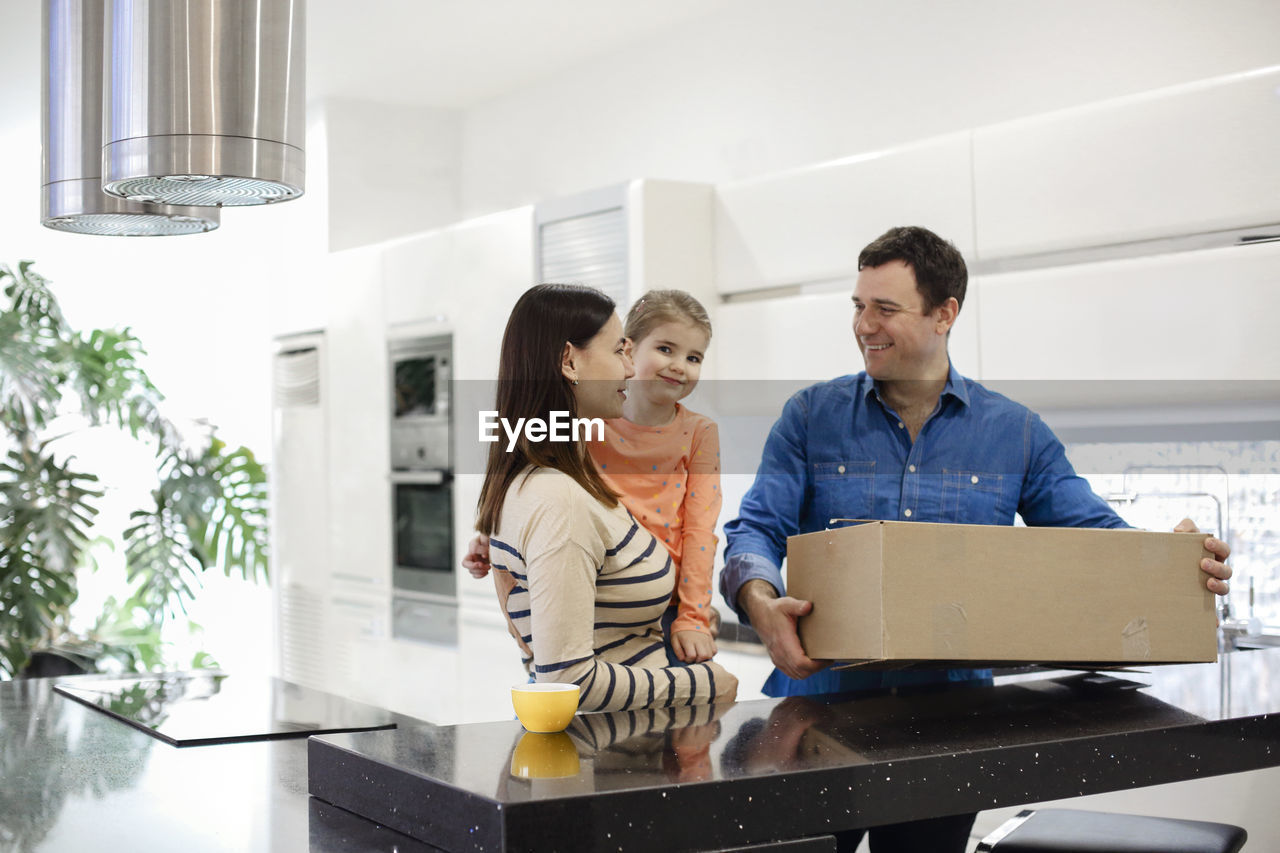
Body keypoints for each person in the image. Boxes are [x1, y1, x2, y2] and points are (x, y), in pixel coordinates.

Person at [718, 225, 1233, 851]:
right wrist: (759, 600)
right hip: (819, 708)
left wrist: (1173, 561)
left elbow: (1096, 541)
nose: (863, 325)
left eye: (885, 309)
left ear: (945, 314)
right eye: (858, 306)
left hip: (950, 722)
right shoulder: (810, 417)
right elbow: (756, 528)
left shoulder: (1014, 432)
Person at [475, 283, 736, 712]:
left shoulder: (546, 469)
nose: (629, 370)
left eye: (694, 357)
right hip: (612, 731)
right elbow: (567, 678)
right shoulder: (560, 494)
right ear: (569, 361)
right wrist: (705, 683)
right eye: (620, 351)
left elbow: (701, 530)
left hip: (649, 649)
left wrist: (692, 612)